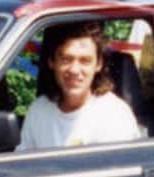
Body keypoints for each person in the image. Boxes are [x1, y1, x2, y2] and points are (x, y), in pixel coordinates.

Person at [18, 21, 140, 150]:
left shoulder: (114, 116)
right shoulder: (38, 110)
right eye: (66, 59)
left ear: (98, 64)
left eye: (85, 61)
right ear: (51, 62)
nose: (74, 70)